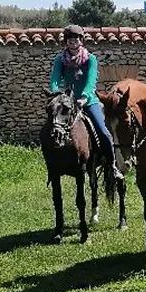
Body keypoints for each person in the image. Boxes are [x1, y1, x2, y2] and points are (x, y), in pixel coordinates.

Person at [49, 24, 122, 184]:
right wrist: (56, 93)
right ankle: (52, 164)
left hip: (88, 102)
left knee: (104, 132)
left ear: (81, 40)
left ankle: (113, 166)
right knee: (51, 127)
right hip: (68, 102)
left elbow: (91, 82)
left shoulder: (90, 59)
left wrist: (84, 97)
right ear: (66, 42)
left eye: (76, 38)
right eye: (69, 39)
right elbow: (54, 80)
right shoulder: (60, 60)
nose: (73, 42)